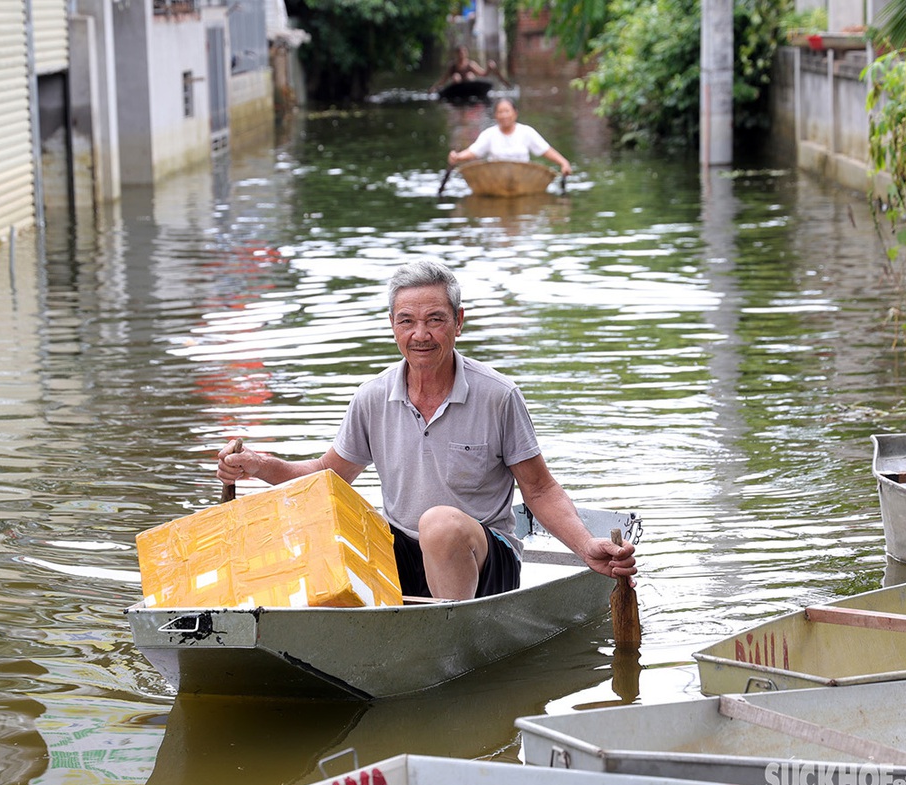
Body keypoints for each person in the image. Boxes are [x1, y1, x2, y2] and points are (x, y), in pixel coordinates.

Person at [215, 258, 636, 601]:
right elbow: (329, 474)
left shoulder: (498, 395)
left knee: (439, 525)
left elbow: (540, 490)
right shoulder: (372, 396)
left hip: (485, 558)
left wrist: (586, 548)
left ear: (458, 322)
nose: (420, 335)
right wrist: (258, 465)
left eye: (435, 319)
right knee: (334, 521)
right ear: (393, 326)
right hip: (404, 555)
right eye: (407, 321)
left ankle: (451, 633)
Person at [448, 98, 572, 179]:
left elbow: (545, 150)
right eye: (500, 112)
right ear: (495, 116)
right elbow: (474, 151)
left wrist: (563, 163)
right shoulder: (489, 134)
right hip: (496, 178)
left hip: (522, 178)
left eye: (507, 111)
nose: (504, 115)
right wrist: (458, 157)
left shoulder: (526, 132)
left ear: (515, 113)